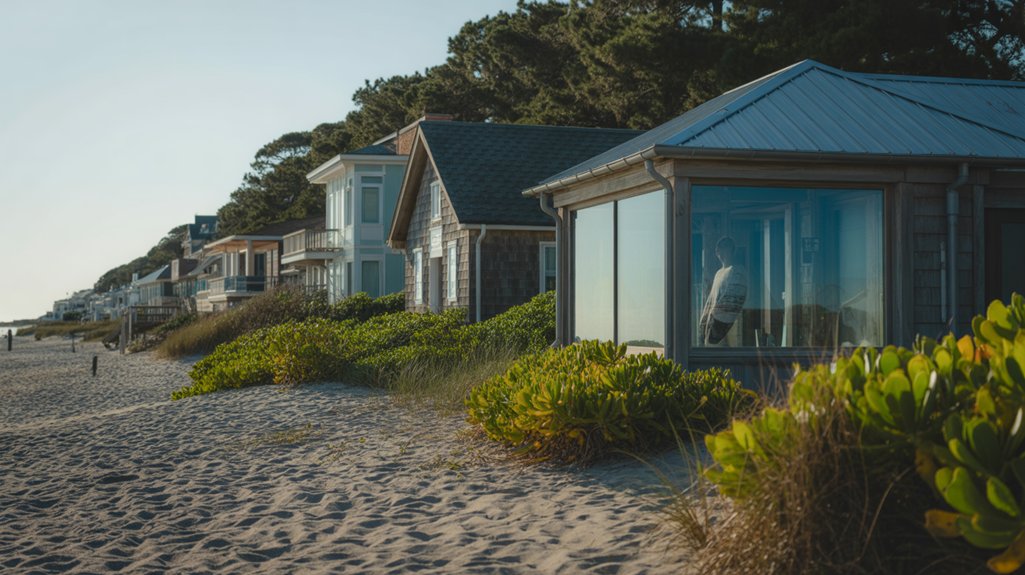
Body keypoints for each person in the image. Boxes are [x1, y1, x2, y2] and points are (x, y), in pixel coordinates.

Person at [699, 237, 748, 345]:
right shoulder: (718, 274)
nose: (720, 252)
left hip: (726, 330)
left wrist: (714, 323)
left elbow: (733, 303)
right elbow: (710, 301)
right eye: (718, 249)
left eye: (724, 247)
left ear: (731, 250)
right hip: (712, 330)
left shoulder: (738, 271)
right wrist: (703, 325)